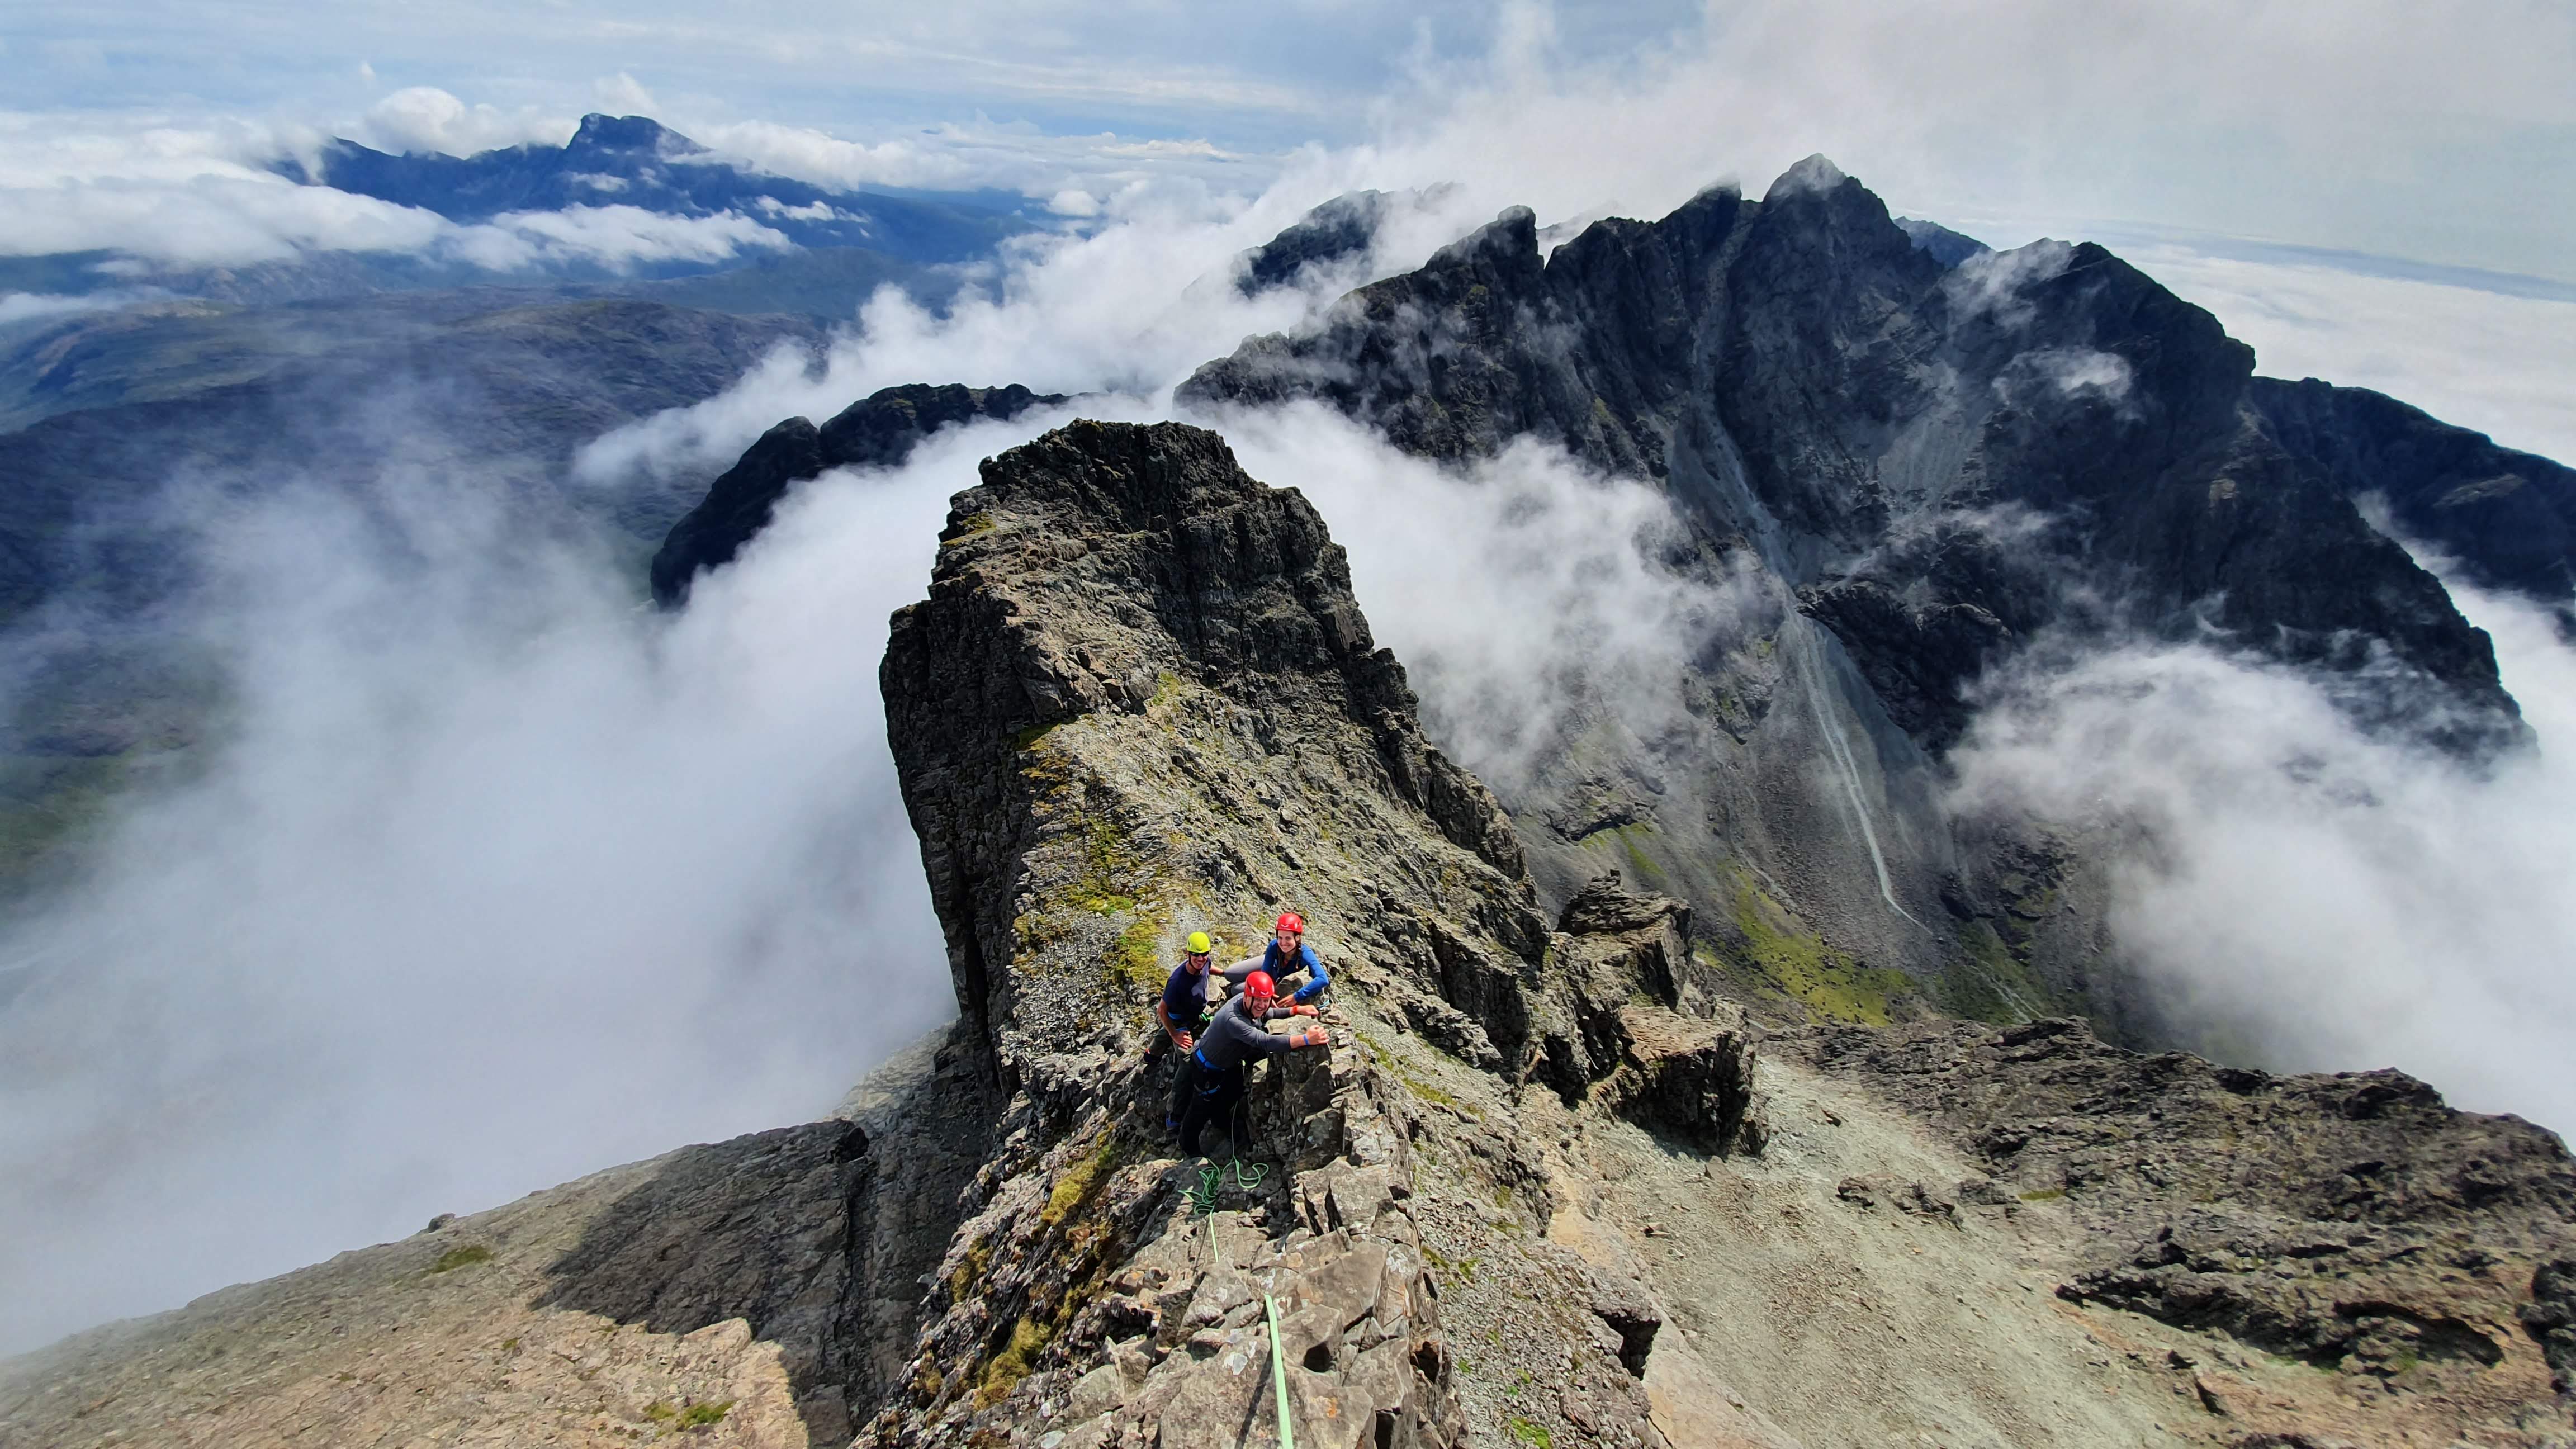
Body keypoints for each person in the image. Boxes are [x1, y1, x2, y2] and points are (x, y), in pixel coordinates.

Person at [1176, 969, 1326, 1157]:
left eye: (1266, 1000)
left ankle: (1220, 1120)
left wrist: (1295, 1010)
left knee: (1234, 1091)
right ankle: (1187, 1143)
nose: (1262, 1005)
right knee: (1201, 1107)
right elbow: (1264, 1041)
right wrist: (1305, 1040)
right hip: (1206, 1069)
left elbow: (1267, 1012)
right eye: (1258, 1000)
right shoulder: (1234, 1020)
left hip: (1228, 1064)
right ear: (1248, 997)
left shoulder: (1246, 1001)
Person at [1158, 931, 1218, 1130]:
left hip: (1194, 1016)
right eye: (1196, 955)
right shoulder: (1177, 982)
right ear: (1188, 954)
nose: (1201, 959)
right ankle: (1174, 1115)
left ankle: (1152, 1054)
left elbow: (1209, 969)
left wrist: (1226, 974)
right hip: (1179, 1022)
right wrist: (1175, 1034)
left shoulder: (1205, 964)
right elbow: (1162, 1010)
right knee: (1186, 1064)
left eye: (1205, 954)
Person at [1221, 911, 1329, 1006]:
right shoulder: (1274, 946)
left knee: (1236, 989)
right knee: (1230, 974)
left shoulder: (1305, 954)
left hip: (1278, 978)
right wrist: (1269, 991)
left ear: (1297, 938)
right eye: (1280, 938)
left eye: (1288, 938)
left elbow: (1323, 979)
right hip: (1269, 967)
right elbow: (1265, 973)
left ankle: (1228, 991)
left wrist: (1296, 997)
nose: (1283, 943)